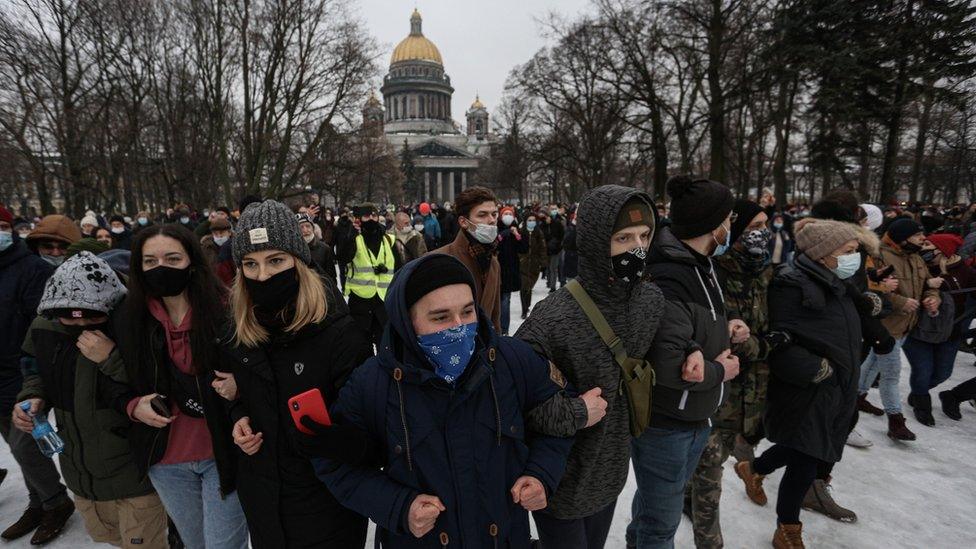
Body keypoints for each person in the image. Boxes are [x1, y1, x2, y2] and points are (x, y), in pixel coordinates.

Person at [316, 253, 574, 548]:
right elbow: (333, 462)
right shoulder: (373, 383)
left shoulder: (510, 361)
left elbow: (558, 418)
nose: (458, 326)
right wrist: (399, 507)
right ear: (406, 320)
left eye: (467, 312)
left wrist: (542, 473)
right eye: (440, 317)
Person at [516, 185, 663, 549]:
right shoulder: (552, 318)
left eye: (645, 236)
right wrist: (577, 412)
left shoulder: (650, 301)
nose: (637, 248)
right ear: (597, 240)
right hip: (561, 479)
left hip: (611, 472)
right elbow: (516, 397)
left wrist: (690, 350)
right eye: (623, 237)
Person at [221, 200, 373, 547]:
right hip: (262, 501)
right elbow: (243, 393)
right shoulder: (241, 331)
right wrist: (239, 416)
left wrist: (341, 441)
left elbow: (374, 433)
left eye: (275, 260)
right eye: (250, 264)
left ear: (298, 261)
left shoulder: (340, 334)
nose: (263, 276)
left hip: (326, 506)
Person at [15, 252, 168, 548]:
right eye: (71, 317)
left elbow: (158, 384)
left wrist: (111, 358)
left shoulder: (135, 323)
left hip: (135, 475)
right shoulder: (45, 327)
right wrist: (33, 396)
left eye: (93, 316)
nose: (83, 324)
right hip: (82, 474)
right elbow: (34, 367)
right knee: (110, 537)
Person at [114, 224, 249, 549]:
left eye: (172, 258)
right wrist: (133, 405)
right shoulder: (127, 318)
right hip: (166, 461)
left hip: (223, 454)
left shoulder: (228, 309)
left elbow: (261, 368)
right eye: (150, 261)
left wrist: (240, 383)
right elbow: (111, 384)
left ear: (192, 261)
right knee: (194, 543)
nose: (161, 268)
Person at [734, 218, 864, 549]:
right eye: (848, 251)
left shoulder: (836, 283)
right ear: (824, 254)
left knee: (807, 447)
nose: (855, 257)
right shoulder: (791, 285)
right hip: (809, 388)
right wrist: (816, 369)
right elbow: (780, 342)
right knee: (806, 459)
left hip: (837, 387)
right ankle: (787, 530)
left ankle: (755, 468)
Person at [633, 176, 741, 549]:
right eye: (729, 217)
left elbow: (688, 325)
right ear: (712, 225)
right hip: (668, 422)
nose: (732, 225)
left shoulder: (700, 262)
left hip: (694, 414)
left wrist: (726, 328)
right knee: (660, 526)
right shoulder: (670, 274)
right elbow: (668, 363)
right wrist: (720, 371)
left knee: (651, 506)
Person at [687, 199, 789, 548]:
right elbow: (717, 340)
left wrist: (763, 343)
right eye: (752, 227)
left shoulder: (768, 273)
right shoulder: (711, 273)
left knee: (708, 465)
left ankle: (686, 496)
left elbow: (779, 333)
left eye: (765, 226)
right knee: (709, 480)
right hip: (716, 396)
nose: (761, 233)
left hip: (751, 398)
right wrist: (759, 344)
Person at [0, 206, 75, 545]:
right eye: (48, 246)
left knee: (26, 443)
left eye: (2, 225)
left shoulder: (31, 269)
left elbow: (42, 327)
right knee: (18, 447)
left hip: (29, 371)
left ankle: (56, 503)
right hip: (4, 374)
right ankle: (41, 502)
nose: (54, 254)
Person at [858, 218, 940, 441]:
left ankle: (857, 395)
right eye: (916, 235)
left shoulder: (916, 258)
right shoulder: (879, 255)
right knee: (891, 373)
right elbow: (867, 288)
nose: (922, 239)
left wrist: (933, 299)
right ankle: (896, 420)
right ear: (902, 238)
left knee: (873, 363)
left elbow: (928, 286)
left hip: (906, 326)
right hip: (885, 327)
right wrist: (899, 302)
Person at [902, 233, 976, 426]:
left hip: (950, 332)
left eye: (928, 244)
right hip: (919, 330)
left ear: (943, 250)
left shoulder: (964, 271)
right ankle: (922, 403)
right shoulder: (918, 265)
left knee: (942, 373)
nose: (923, 246)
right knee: (922, 371)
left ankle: (919, 391)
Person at [432, 186, 503, 332]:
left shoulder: (493, 262)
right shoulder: (440, 260)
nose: (491, 221)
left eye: (494, 214)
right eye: (482, 215)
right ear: (464, 222)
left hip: (482, 350)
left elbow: (494, 318)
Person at [337, 203, 401, 348]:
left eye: (374, 215)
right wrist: (350, 234)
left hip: (384, 303)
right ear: (359, 219)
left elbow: (399, 268)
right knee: (361, 349)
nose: (371, 219)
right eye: (367, 216)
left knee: (386, 347)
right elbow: (342, 257)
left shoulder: (388, 240)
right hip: (360, 303)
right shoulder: (355, 239)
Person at [497, 206, 528, 335]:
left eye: (510, 213)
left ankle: (504, 329)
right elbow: (492, 246)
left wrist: (517, 236)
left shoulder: (516, 229)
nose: (508, 216)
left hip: (510, 270)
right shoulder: (496, 228)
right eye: (505, 214)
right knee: (496, 301)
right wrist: (501, 237)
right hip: (497, 269)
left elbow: (524, 249)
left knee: (505, 300)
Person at [518, 212, 547, 319]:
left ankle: (527, 304)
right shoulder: (521, 232)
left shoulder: (538, 233)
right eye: (529, 220)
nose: (531, 222)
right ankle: (524, 309)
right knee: (523, 287)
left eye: (533, 220)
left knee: (529, 287)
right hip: (523, 265)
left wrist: (543, 263)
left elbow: (543, 248)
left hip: (534, 265)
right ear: (525, 222)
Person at [298, 213, 337, 281]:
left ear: (313, 228)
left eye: (308, 226)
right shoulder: (294, 250)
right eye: (301, 227)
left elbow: (331, 277)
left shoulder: (325, 249)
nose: (305, 230)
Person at [543, 206, 565, 293]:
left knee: (554, 268)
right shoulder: (543, 225)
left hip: (556, 249)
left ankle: (553, 286)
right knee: (549, 268)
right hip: (547, 250)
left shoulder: (558, 223)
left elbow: (562, 235)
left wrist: (558, 245)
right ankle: (550, 282)